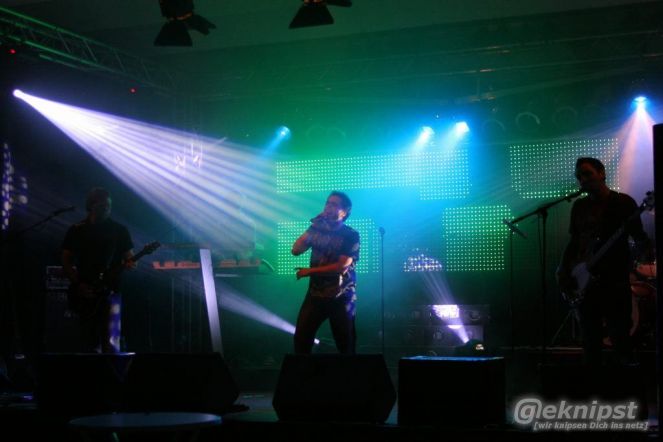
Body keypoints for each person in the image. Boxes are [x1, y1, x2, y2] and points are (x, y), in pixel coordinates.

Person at [556, 158, 651, 365]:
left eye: (587, 174)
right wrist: (563, 269)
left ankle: (624, 383)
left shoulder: (623, 202)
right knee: (590, 342)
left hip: (614, 281)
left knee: (620, 339)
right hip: (586, 282)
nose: (583, 179)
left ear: (602, 173)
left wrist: (643, 250)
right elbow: (574, 241)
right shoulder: (579, 206)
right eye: (579, 176)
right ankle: (594, 383)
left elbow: (639, 237)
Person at [61, 188, 135, 353]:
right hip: (85, 291)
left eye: (109, 205)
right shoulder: (77, 229)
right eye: (103, 205)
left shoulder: (119, 230)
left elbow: (129, 257)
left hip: (111, 291)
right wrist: (78, 283)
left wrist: (130, 263)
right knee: (87, 342)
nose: (107, 209)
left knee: (111, 342)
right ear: (91, 206)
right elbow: (65, 260)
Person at [291, 191, 360, 354]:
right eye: (327, 203)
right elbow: (296, 250)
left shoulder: (351, 235)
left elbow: (342, 266)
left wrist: (310, 271)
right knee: (301, 339)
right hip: (316, 294)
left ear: (344, 212)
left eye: (334, 205)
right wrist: (313, 226)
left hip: (341, 295)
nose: (328, 207)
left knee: (345, 344)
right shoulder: (317, 230)